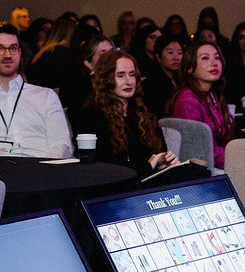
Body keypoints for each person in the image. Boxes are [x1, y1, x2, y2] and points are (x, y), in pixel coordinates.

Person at [0, 23, 73, 159]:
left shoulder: (46, 96)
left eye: (13, 48)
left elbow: (62, 146)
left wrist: (46, 168)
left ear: (20, 52)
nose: (8, 55)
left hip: (42, 166)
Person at [75, 49, 180, 177]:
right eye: (120, 75)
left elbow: (159, 152)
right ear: (106, 79)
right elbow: (101, 168)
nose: (129, 81)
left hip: (149, 180)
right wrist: (148, 166)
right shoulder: (91, 115)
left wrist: (164, 161)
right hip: (116, 184)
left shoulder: (142, 112)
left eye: (132, 74)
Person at [168, 37, 233, 166]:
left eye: (217, 58)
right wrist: (240, 156)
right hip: (199, 167)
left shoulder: (212, 94)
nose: (214, 63)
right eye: (205, 58)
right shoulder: (187, 99)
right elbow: (198, 150)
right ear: (190, 68)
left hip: (217, 162)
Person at [140, 32, 187, 122]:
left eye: (179, 53)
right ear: (158, 57)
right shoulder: (151, 84)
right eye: (170, 52)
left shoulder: (182, 79)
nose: (176, 57)